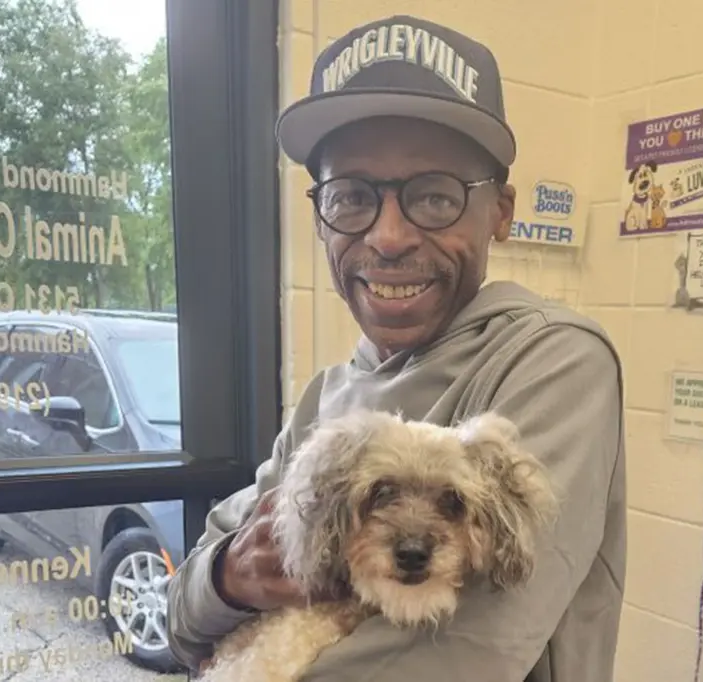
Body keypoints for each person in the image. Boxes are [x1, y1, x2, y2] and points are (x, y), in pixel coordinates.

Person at [167, 14, 626, 682]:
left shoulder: (554, 361)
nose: (387, 236)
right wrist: (231, 577)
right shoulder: (325, 398)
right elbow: (183, 615)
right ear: (321, 213)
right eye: (351, 196)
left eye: (434, 197)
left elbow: (467, 654)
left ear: (501, 210)